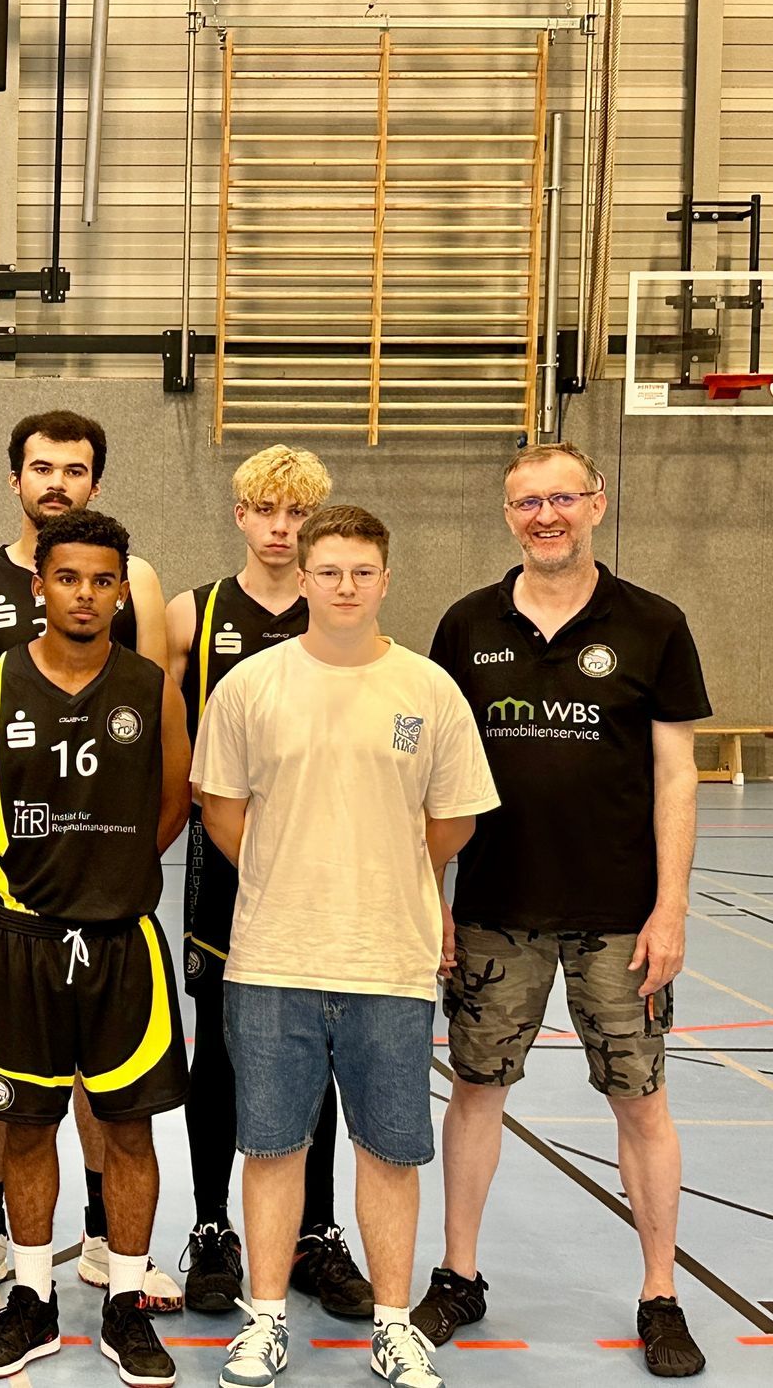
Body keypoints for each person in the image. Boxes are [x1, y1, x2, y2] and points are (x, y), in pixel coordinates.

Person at [421, 442, 710, 1379]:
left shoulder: (654, 624)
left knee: (641, 1103)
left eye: (562, 498)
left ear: (596, 503)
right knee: (476, 1092)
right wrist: (435, 898)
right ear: (508, 514)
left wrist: (671, 909)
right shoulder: (467, 624)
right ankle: (459, 1275)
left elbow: (676, 777)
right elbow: (432, 775)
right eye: (526, 502)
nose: (545, 516)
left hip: (621, 919)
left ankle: (660, 1294)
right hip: (494, 909)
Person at [192, 504, 498, 1388]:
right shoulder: (250, 686)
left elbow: (452, 822)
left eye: (363, 572)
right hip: (272, 960)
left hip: (387, 962)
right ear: (304, 579)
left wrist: (380, 875)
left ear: (386, 580)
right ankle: (265, 1320)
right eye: (328, 572)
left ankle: (395, 1327)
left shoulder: (428, 691)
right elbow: (221, 811)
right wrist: (294, 874)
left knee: (390, 1152)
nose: (346, 587)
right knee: (271, 1148)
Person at [0, 509, 191, 1385]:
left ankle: (124, 1303)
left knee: (127, 1130)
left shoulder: (153, 686)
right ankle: (33, 1300)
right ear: (39, 585)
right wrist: (27, 878)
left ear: (122, 591)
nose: (85, 594)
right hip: (24, 940)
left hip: (124, 943)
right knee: (26, 1127)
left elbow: (174, 803)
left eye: (102, 580)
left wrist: (110, 877)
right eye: (68, 578)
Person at [165, 446, 371, 1320]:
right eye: (267, 511)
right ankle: (213, 1227)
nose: (282, 529)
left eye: (299, 514)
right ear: (240, 515)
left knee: (316, 1049)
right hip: (226, 861)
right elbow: (169, 742)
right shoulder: (193, 612)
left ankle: (314, 1232)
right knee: (218, 1051)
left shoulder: (343, 614)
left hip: (323, 864)